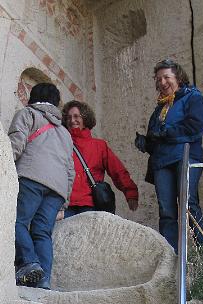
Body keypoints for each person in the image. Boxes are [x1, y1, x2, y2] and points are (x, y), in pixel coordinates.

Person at [135, 58, 203, 252]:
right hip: (162, 162)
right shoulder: (160, 108)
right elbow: (157, 138)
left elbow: (195, 126)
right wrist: (147, 142)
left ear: (178, 77)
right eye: (158, 79)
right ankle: (171, 257)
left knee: (188, 203)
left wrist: (167, 132)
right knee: (166, 211)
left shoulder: (193, 97)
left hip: (185, 157)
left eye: (166, 77)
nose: (162, 82)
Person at [8, 83, 75, 289]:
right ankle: (43, 280)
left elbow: (15, 144)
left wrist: (1, 171)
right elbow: (70, 170)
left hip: (32, 177)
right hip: (57, 189)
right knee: (42, 232)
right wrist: (64, 201)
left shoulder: (28, 114)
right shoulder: (65, 133)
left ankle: (29, 263)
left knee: (17, 221)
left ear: (33, 97)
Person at [62, 100, 138, 218]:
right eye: (68, 117)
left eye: (76, 116)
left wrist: (130, 193)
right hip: (66, 204)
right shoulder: (61, 144)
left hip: (90, 204)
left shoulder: (99, 146)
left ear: (85, 119)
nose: (72, 120)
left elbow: (117, 170)